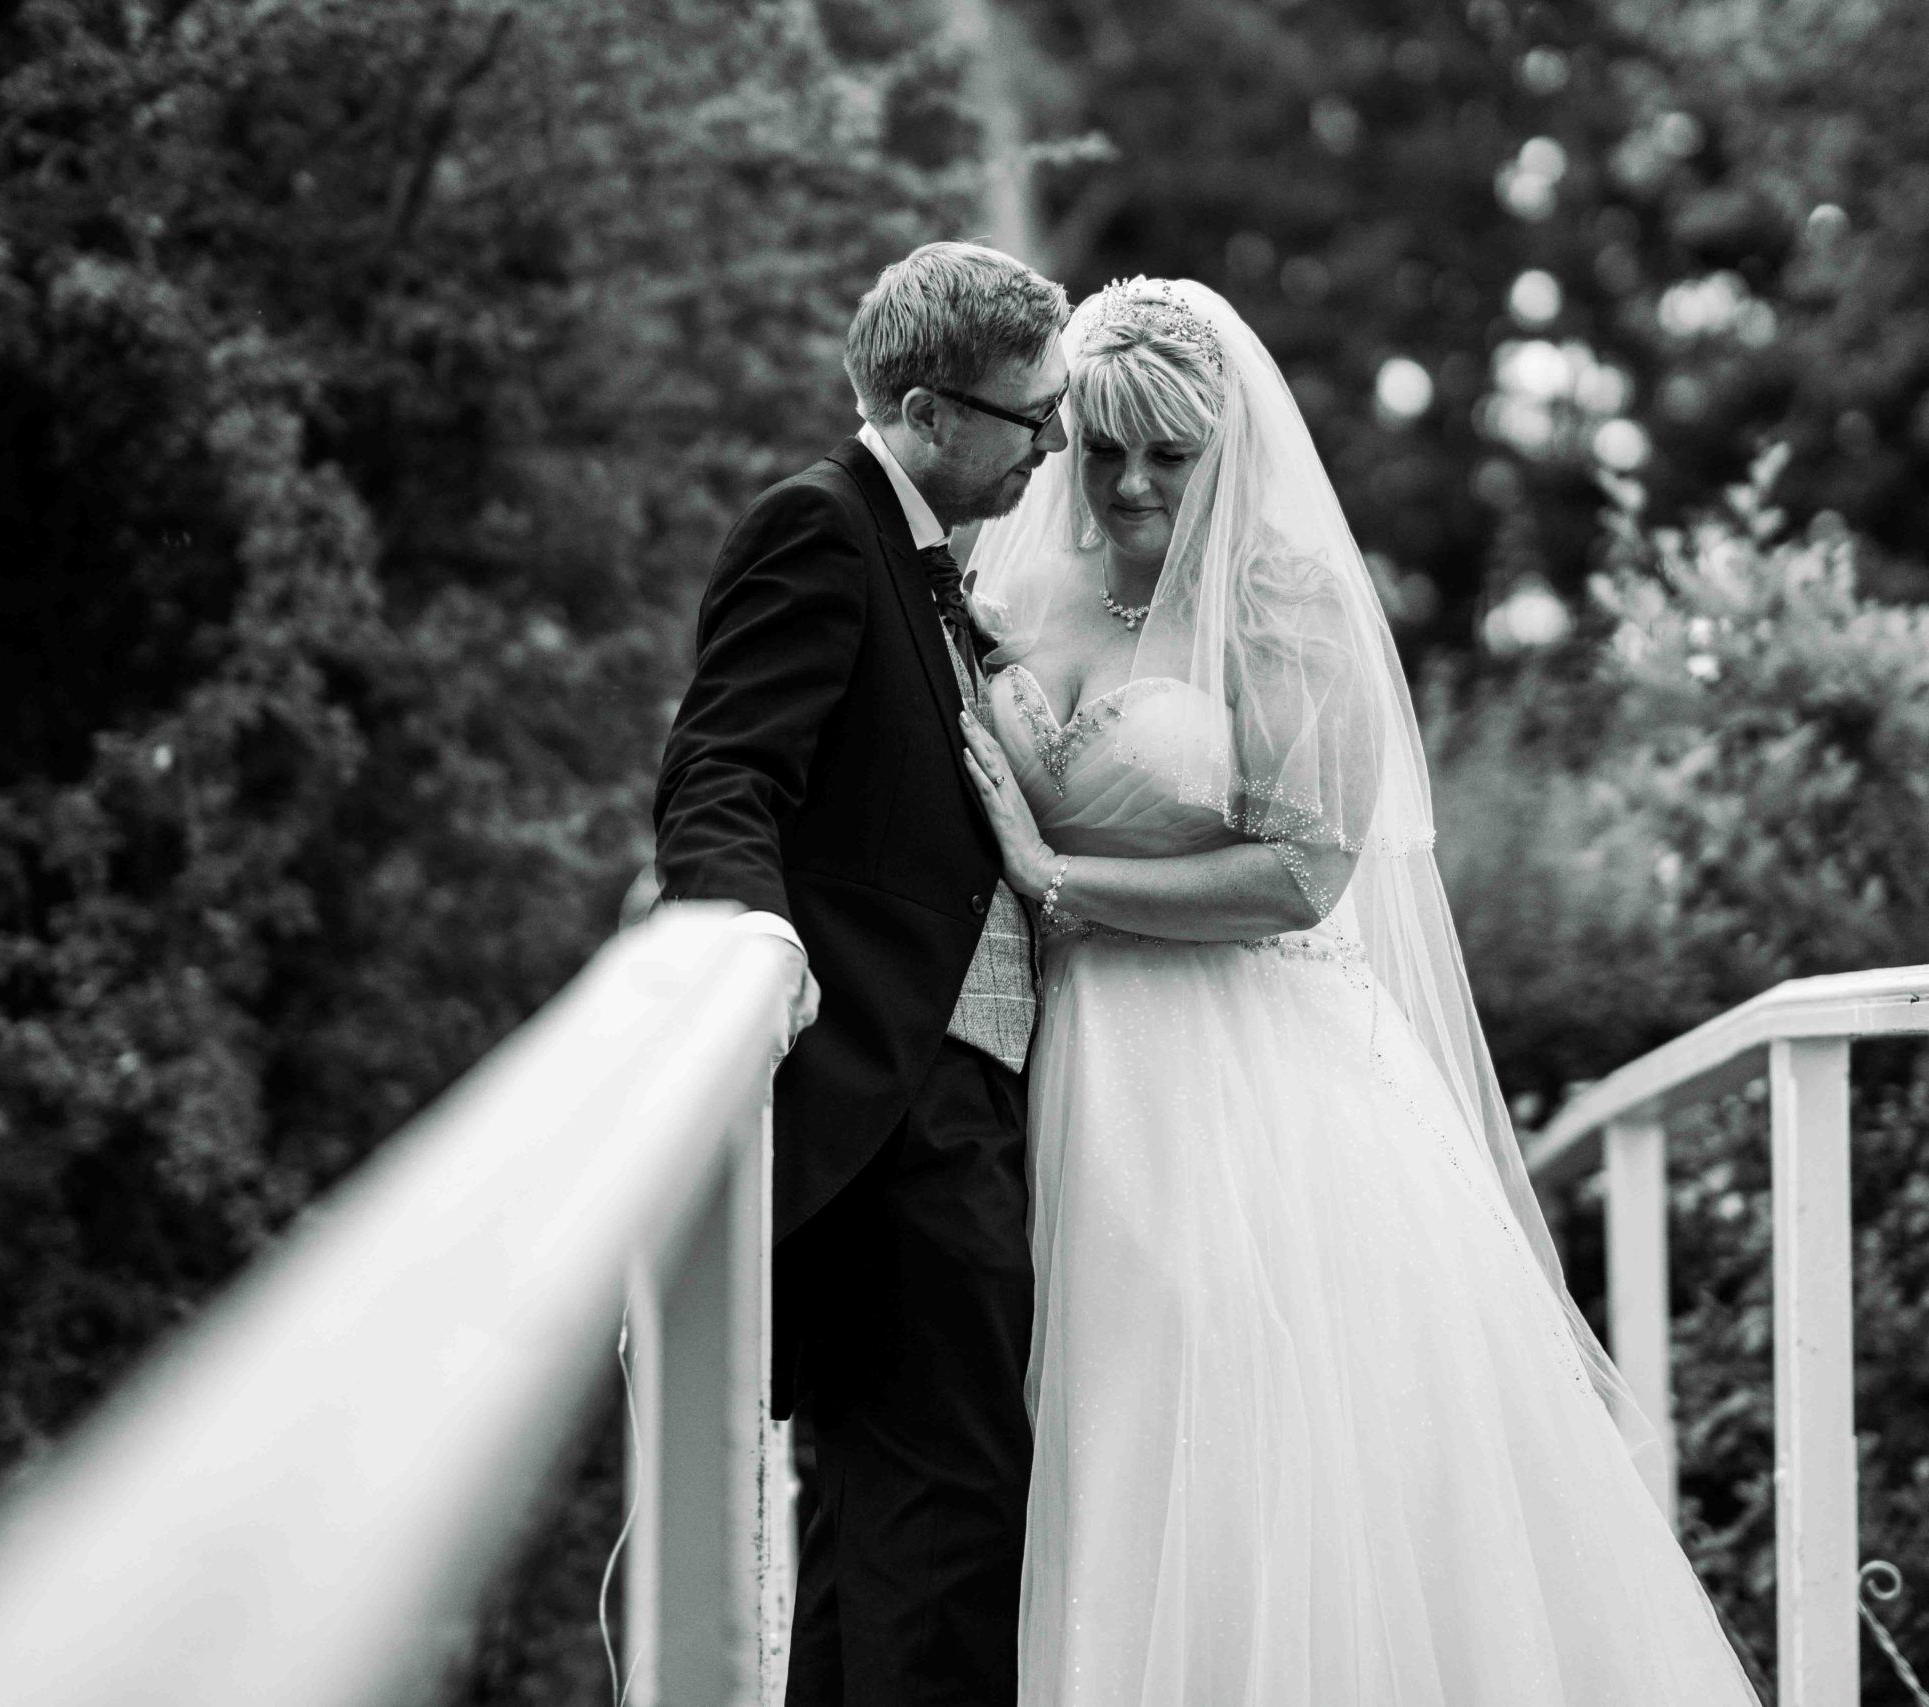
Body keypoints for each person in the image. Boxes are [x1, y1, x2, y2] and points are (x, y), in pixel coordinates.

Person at [953, 277, 1761, 1704]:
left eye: (1170, 453)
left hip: (1245, 1077)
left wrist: (1055, 882)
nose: (1133, 482)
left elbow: (1302, 877)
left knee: (1249, 1419)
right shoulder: (1021, 581)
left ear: (1227, 447)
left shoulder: (1286, 605)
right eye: (1104, 448)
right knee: (1095, 1423)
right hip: (1060, 1059)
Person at [650, 240, 1070, 1707]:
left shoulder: (928, 563)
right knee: (953, 1513)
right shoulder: (817, 529)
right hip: (891, 1106)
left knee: (876, 1527)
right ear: (924, 406)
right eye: (1033, 418)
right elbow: (721, 772)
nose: (1054, 450)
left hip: (940, 1104)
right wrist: (754, 948)